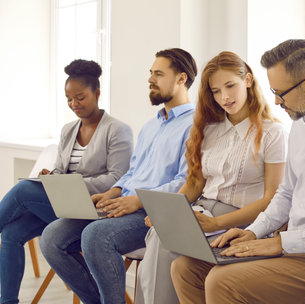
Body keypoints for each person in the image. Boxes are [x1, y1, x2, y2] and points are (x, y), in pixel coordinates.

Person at [170, 39, 305, 304]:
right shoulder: (301, 124)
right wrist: (253, 232)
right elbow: (286, 193)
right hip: (292, 249)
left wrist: (281, 243)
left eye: (281, 93)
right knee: (186, 269)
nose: (276, 101)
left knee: (222, 281)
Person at [39, 48, 198, 304]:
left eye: (158, 74)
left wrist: (137, 201)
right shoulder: (151, 125)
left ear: (181, 79)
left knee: (95, 236)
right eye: (150, 73)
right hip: (122, 204)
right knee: (52, 236)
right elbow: (134, 171)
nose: (150, 79)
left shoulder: (195, 125)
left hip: (151, 214)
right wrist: (113, 191)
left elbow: (185, 181)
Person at [134, 51, 287, 304]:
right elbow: (195, 183)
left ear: (248, 80)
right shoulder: (208, 129)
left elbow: (272, 198)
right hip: (202, 211)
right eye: (216, 91)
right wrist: (170, 211)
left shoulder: (273, 133)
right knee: (160, 233)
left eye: (230, 86)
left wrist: (217, 224)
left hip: (242, 221)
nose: (224, 97)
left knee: (167, 244)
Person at [0, 59, 133, 304]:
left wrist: (70, 183)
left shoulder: (117, 130)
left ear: (97, 93)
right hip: (64, 204)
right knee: (10, 233)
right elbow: (62, 169)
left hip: (94, 208)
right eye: (69, 99)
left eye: (80, 97)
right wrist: (52, 177)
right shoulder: (68, 130)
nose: (74, 104)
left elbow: (118, 178)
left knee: (22, 191)